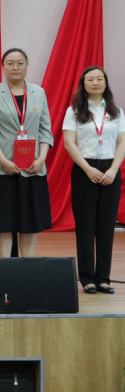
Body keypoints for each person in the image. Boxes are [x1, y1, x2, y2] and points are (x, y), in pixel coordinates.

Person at [0, 48, 53, 258]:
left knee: (29, 223)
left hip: (32, 168)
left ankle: (27, 269)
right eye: (10, 63)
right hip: (3, 169)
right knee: (3, 223)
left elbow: (45, 130)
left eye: (20, 63)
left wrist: (41, 159)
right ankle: (6, 269)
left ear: (27, 66)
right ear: (3, 67)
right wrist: (3, 160)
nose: (15, 67)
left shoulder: (38, 92)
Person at [62, 65, 124, 294]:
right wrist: (88, 169)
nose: (95, 82)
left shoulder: (116, 111)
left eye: (99, 79)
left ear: (105, 83)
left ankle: (104, 278)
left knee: (106, 227)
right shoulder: (74, 111)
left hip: (110, 170)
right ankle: (87, 278)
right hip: (84, 169)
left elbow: (123, 143)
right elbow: (69, 143)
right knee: (86, 227)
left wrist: (114, 169)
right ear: (84, 84)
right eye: (90, 79)